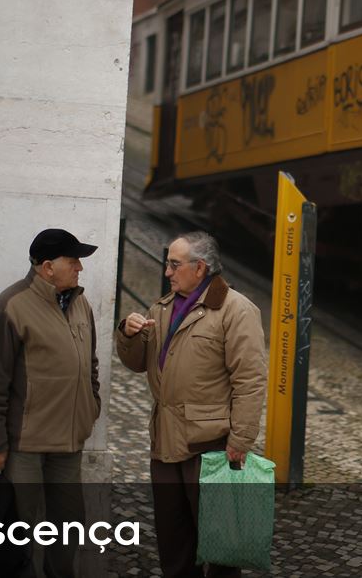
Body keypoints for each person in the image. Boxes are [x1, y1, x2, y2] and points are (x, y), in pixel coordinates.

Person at [116, 231, 266, 578]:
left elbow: (250, 380)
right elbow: (139, 363)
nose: (167, 272)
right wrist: (128, 334)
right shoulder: (163, 306)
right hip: (165, 443)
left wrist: (240, 440)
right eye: (168, 264)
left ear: (200, 268)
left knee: (220, 545)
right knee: (174, 541)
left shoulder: (236, 310)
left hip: (211, 446)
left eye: (174, 264)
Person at [0, 228, 102, 578]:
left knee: (69, 526)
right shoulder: (10, 306)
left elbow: (89, 363)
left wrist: (90, 407)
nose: (80, 267)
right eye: (73, 260)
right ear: (47, 267)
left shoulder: (81, 304)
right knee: (19, 531)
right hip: (25, 445)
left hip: (68, 444)